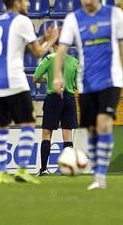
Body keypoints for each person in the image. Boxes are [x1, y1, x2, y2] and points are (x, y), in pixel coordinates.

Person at [53, 0, 123, 191]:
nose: (88, 0)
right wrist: (57, 75)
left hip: (111, 79)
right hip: (86, 82)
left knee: (104, 123)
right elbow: (61, 50)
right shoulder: (73, 19)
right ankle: (96, 171)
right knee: (92, 130)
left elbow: (121, 46)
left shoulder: (115, 15)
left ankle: (100, 177)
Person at [0, 0, 58, 185]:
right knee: (28, 123)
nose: (28, 4)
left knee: (2, 127)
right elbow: (37, 53)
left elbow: (16, 48)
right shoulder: (22, 20)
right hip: (15, 80)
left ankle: (2, 173)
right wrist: (51, 40)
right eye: (26, 1)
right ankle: (21, 170)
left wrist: (42, 38)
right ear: (18, 3)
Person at [33, 45, 78, 176]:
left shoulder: (50, 58)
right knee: (67, 135)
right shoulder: (74, 61)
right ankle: (68, 169)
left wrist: (47, 79)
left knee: (47, 134)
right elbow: (77, 84)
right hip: (69, 99)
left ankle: (44, 169)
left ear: (54, 45)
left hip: (53, 99)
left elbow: (35, 78)